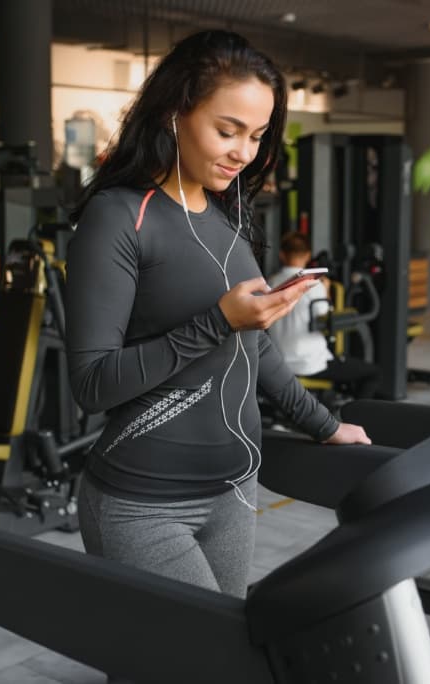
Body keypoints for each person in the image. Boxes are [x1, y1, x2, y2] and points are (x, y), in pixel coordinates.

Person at [64, 30, 370, 603]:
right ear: (174, 114)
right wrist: (219, 321)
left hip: (232, 492)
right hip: (142, 503)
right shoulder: (119, 217)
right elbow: (92, 383)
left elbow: (256, 350)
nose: (244, 152)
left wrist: (323, 425)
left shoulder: (226, 215)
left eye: (256, 136)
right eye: (227, 131)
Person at [267, 232, 381, 400]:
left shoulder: (271, 282)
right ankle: (352, 421)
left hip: (279, 364)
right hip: (309, 364)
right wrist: (326, 289)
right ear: (307, 255)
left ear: (282, 255)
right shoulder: (314, 284)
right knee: (374, 373)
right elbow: (324, 318)